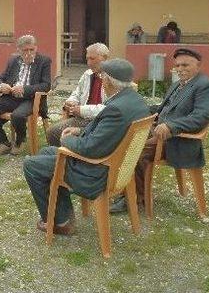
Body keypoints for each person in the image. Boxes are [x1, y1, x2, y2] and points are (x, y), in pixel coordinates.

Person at [23, 59, 149, 235]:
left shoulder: (117, 108)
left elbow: (89, 148)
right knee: (45, 152)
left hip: (96, 173)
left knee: (31, 165)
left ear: (109, 81)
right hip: (116, 167)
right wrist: (79, 130)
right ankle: (62, 215)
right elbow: (105, 133)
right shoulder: (134, 100)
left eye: (102, 77)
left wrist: (65, 139)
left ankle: (60, 222)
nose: (101, 81)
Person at [113, 48, 209, 214]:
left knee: (134, 151)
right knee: (123, 138)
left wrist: (171, 126)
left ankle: (134, 199)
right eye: (177, 65)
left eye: (185, 65)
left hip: (177, 140)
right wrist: (137, 109)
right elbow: (162, 109)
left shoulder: (206, 85)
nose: (180, 69)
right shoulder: (177, 84)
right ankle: (125, 189)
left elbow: (201, 117)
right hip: (158, 132)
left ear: (198, 65)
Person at [0, 35, 51, 156]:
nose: (29, 53)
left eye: (32, 49)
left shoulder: (44, 61)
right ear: (19, 50)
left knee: (18, 115)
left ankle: (20, 141)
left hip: (31, 99)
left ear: (36, 48)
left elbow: (46, 85)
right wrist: (1, 85)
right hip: (12, 97)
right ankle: (3, 142)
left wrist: (24, 89)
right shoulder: (13, 60)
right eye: (25, 50)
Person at [45, 43, 110, 146]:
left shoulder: (111, 80)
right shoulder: (88, 74)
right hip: (83, 118)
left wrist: (81, 110)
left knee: (55, 132)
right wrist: (71, 102)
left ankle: (66, 158)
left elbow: (108, 109)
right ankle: (60, 157)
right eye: (87, 59)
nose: (88, 63)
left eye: (92, 59)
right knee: (52, 131)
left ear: (105, 58)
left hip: (100, 121)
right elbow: (77, 93)